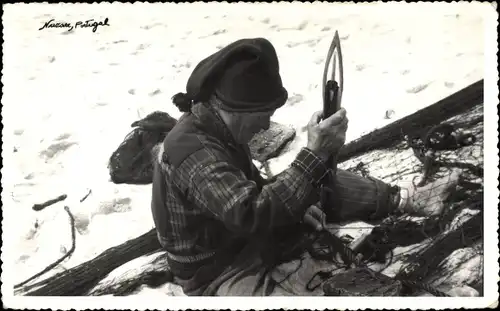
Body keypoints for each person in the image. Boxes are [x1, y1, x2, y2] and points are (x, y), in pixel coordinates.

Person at [150, 38, 461, 296]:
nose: (266, 124)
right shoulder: (192, 152)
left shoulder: (218, 127)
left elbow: (253, 187)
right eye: (265, 113)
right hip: (219, 268)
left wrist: (305, 191)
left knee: (318, 182)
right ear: (236, 110)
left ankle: (408, 199)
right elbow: (250, 214)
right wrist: (313, 152)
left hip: (244, 236)